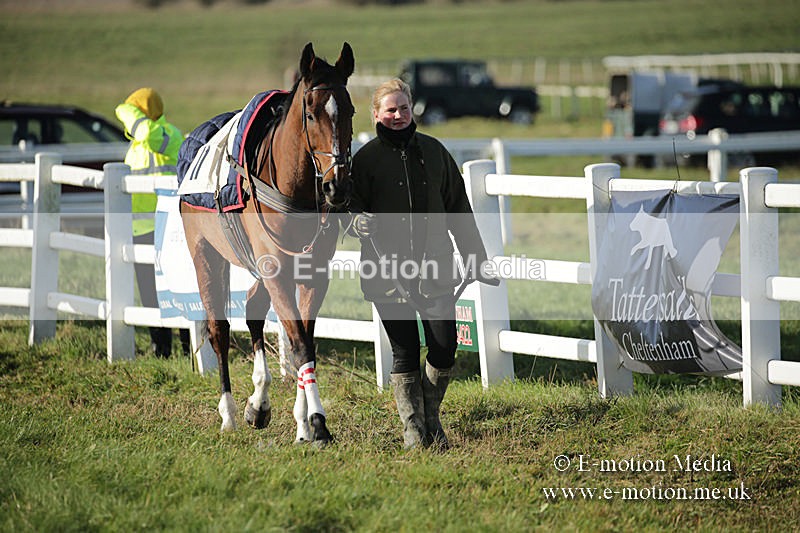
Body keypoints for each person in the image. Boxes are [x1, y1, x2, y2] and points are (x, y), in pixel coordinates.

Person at [349, 78, 498, 450]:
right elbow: (346, 211)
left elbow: (459, 210)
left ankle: (431, 417)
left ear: (412, 107)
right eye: (390, 109)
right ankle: (414, 430)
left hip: (436, 269)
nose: (398, 115)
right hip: (386, 273)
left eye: (403, 107)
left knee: (445, 347)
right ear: (376, 114)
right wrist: (356, 222)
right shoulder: (364, 161)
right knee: (404, 352)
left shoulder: (435, 153)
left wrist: (476, 259)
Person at [115, 87, 189, 358]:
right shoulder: (137, 144)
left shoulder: (167, 133)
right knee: (149, 295)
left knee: (176, 291)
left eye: (133, 109)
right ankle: (161, 351)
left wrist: (126, 110)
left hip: (167, 228)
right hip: (140, 229)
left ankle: (188, 347)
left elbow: (147, 133)